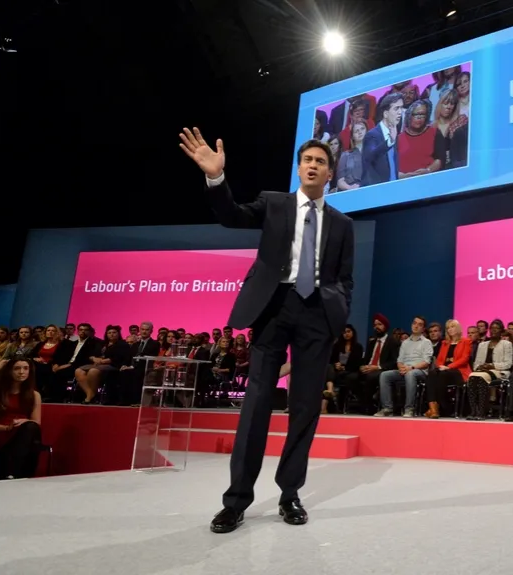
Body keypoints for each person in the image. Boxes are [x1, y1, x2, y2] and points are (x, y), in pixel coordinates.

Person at [178, 127, 355, 533]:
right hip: (272, 309)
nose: (313, 166)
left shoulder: (343, 225)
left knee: (305, 409)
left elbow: (346, 278)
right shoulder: (275, 203)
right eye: (307, 160)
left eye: (321, 162)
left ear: (330, 174)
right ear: (300, 168)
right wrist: (215, 178)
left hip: (317, 317)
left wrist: (337, 310)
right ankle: (236, 500)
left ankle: (289, 494)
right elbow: (232, 216)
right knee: (256, 405)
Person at [0, 360, 43, 480]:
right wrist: (6, 428)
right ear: (9, 371)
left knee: (31, 428)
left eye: (25, 368)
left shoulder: (35, 395)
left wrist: (25, 422)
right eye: (17, 368)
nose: (22, 372)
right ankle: (15, 474)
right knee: (29, 434)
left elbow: (36, 421)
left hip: (22, 433)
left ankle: (13, 473)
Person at [424, 320, 473, 419]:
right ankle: (433, 407)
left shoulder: (466, 341)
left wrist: (448, 367)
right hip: (444, 370)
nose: (450, 329)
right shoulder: (445, 343)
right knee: (432, 373)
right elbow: (440, 360)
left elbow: (464, 359)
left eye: (452, 327)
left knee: (442, 374)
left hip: (459, 371)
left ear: (458, 328)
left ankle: (441, 407)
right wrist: (441, 366)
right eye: (448, 328)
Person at [361, 93, 405, 186]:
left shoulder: (394, 133)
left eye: (401, 108)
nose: (400, 112)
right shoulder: (372, 135)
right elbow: (370, 156)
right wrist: (390, 142)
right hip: (376, 192)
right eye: (396, 108)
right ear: (385, 114)